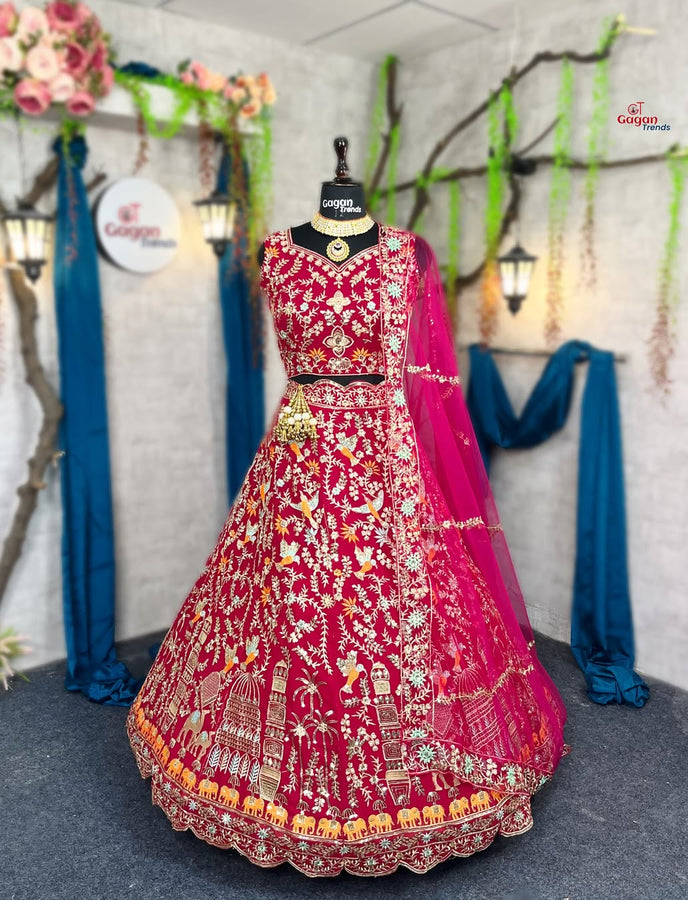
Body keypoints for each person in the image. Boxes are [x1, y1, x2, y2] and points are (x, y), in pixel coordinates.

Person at [126, 156, 569, 876]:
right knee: (283, 592)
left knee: (390, 595)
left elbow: (421, 370)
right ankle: (264, 768)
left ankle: (405, 773)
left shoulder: (403, 253)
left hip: (381, 445)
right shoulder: (275, 250)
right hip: (299, 438)